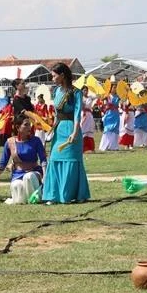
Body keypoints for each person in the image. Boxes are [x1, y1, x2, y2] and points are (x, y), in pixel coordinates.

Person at [42, 62, 91, 204]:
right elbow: (57, 113)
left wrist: (75, 132)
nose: (52, 79)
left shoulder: (76, 92)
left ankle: (70, 195)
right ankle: (53, 195)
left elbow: (77, 113)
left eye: (54, 76)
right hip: (59, 129)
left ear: (62, 75)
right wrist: (52, 127)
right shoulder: (56, 91)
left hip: (71, 128)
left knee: (71, 160)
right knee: (55, 159)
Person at [0, 114, 47, 204]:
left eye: (30, 124)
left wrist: (45, 176)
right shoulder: (10, 142)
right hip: (17, 174)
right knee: (17, 186)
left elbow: (43, 160)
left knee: (28, 177)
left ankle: (36, 199)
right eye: (26, 125)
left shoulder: (36, 140)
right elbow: (2, 164)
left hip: (34, 172)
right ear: (17, 127)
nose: (29, 127)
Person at [99, 84, 120, 151]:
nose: (115, 89)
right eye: (114, 87)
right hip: (109, 114)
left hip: (116, 114)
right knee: (107, 129)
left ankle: (113, 146)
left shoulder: (118, 96)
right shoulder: (107, 96)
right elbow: (100, 100)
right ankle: (104, 146)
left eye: (116, 87)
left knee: (115, 129)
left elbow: (124, 100)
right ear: (110, 88)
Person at [80, 86, 96, 153]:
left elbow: (97, 96)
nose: (85, 91)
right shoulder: (80, 98)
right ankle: (83, 148)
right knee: (83, 131)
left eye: (86, 90)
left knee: (89, 132)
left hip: (89, 115)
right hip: (82, 115)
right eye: (84, 90)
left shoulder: (90, 98)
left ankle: (91, 148)